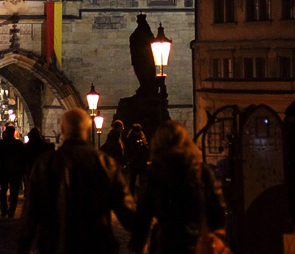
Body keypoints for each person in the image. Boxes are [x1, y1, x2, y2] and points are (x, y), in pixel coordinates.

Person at [18, 108, 136, 254]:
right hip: (96, 243)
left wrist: (23, 245)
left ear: (62, 130)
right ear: (87, 130)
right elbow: (127, 211)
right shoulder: (105, 162)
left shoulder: (46, 163)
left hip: (55, 243)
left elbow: (30, 212)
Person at [130, 120, 226, 254]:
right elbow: (218, 208)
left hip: (165, 243)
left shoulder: (156, 171)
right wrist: (216, 235)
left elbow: (143, 214)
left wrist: (137, 245)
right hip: (197, 242)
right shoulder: (200, 170)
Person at [0, 125, 25, 219]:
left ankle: (4, 208)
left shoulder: (1, 143)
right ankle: (12, 210)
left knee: (3, 189)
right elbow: (23, 157)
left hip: (3, 169)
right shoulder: (18, 144)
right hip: (16, 170)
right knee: (14, 191)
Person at [125, 124, 149, 195]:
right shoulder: (130, 138)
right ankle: (132, 195)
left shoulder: (142, 137)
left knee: (142, 180)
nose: (137, 133)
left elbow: (145, 148)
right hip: (134, 161)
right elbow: (128, 149)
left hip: (140, 161)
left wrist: (142, 146)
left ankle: (143, 195)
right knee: (132, 180)